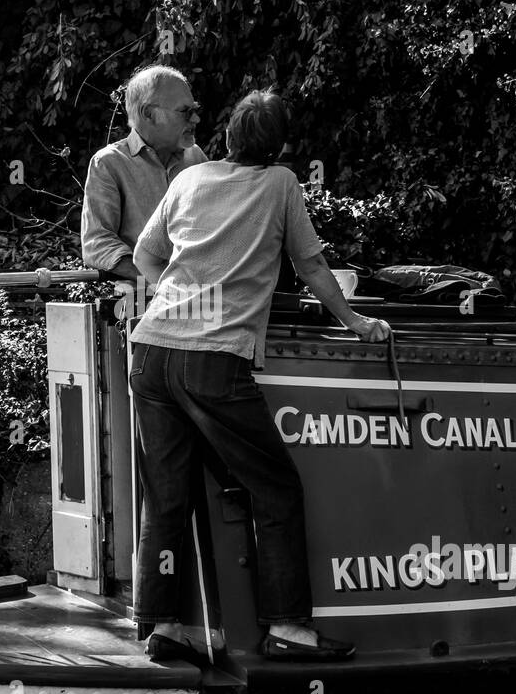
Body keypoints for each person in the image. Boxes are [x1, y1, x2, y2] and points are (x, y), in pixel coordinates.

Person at [129, 90, 391, 663]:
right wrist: (355, 322)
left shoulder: (189, 180)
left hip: (149, 352)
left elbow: (146, 258)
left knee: (167, 496)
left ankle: (164, 625)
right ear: (280, 146)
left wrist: (183, 302)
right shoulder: (281, 184)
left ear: (227, 137)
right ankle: (288, 628)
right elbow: (312, 264)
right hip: (214, 363)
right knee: (275, 489)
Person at [80, 64, 208, 282]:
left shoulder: (195, 158)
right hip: (141, 300)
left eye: (195, 110)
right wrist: (160, 280)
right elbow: (97, 242)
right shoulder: (109, 163)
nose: (195, 119)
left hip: (199, 294)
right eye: (185, 112)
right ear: (149, 114)